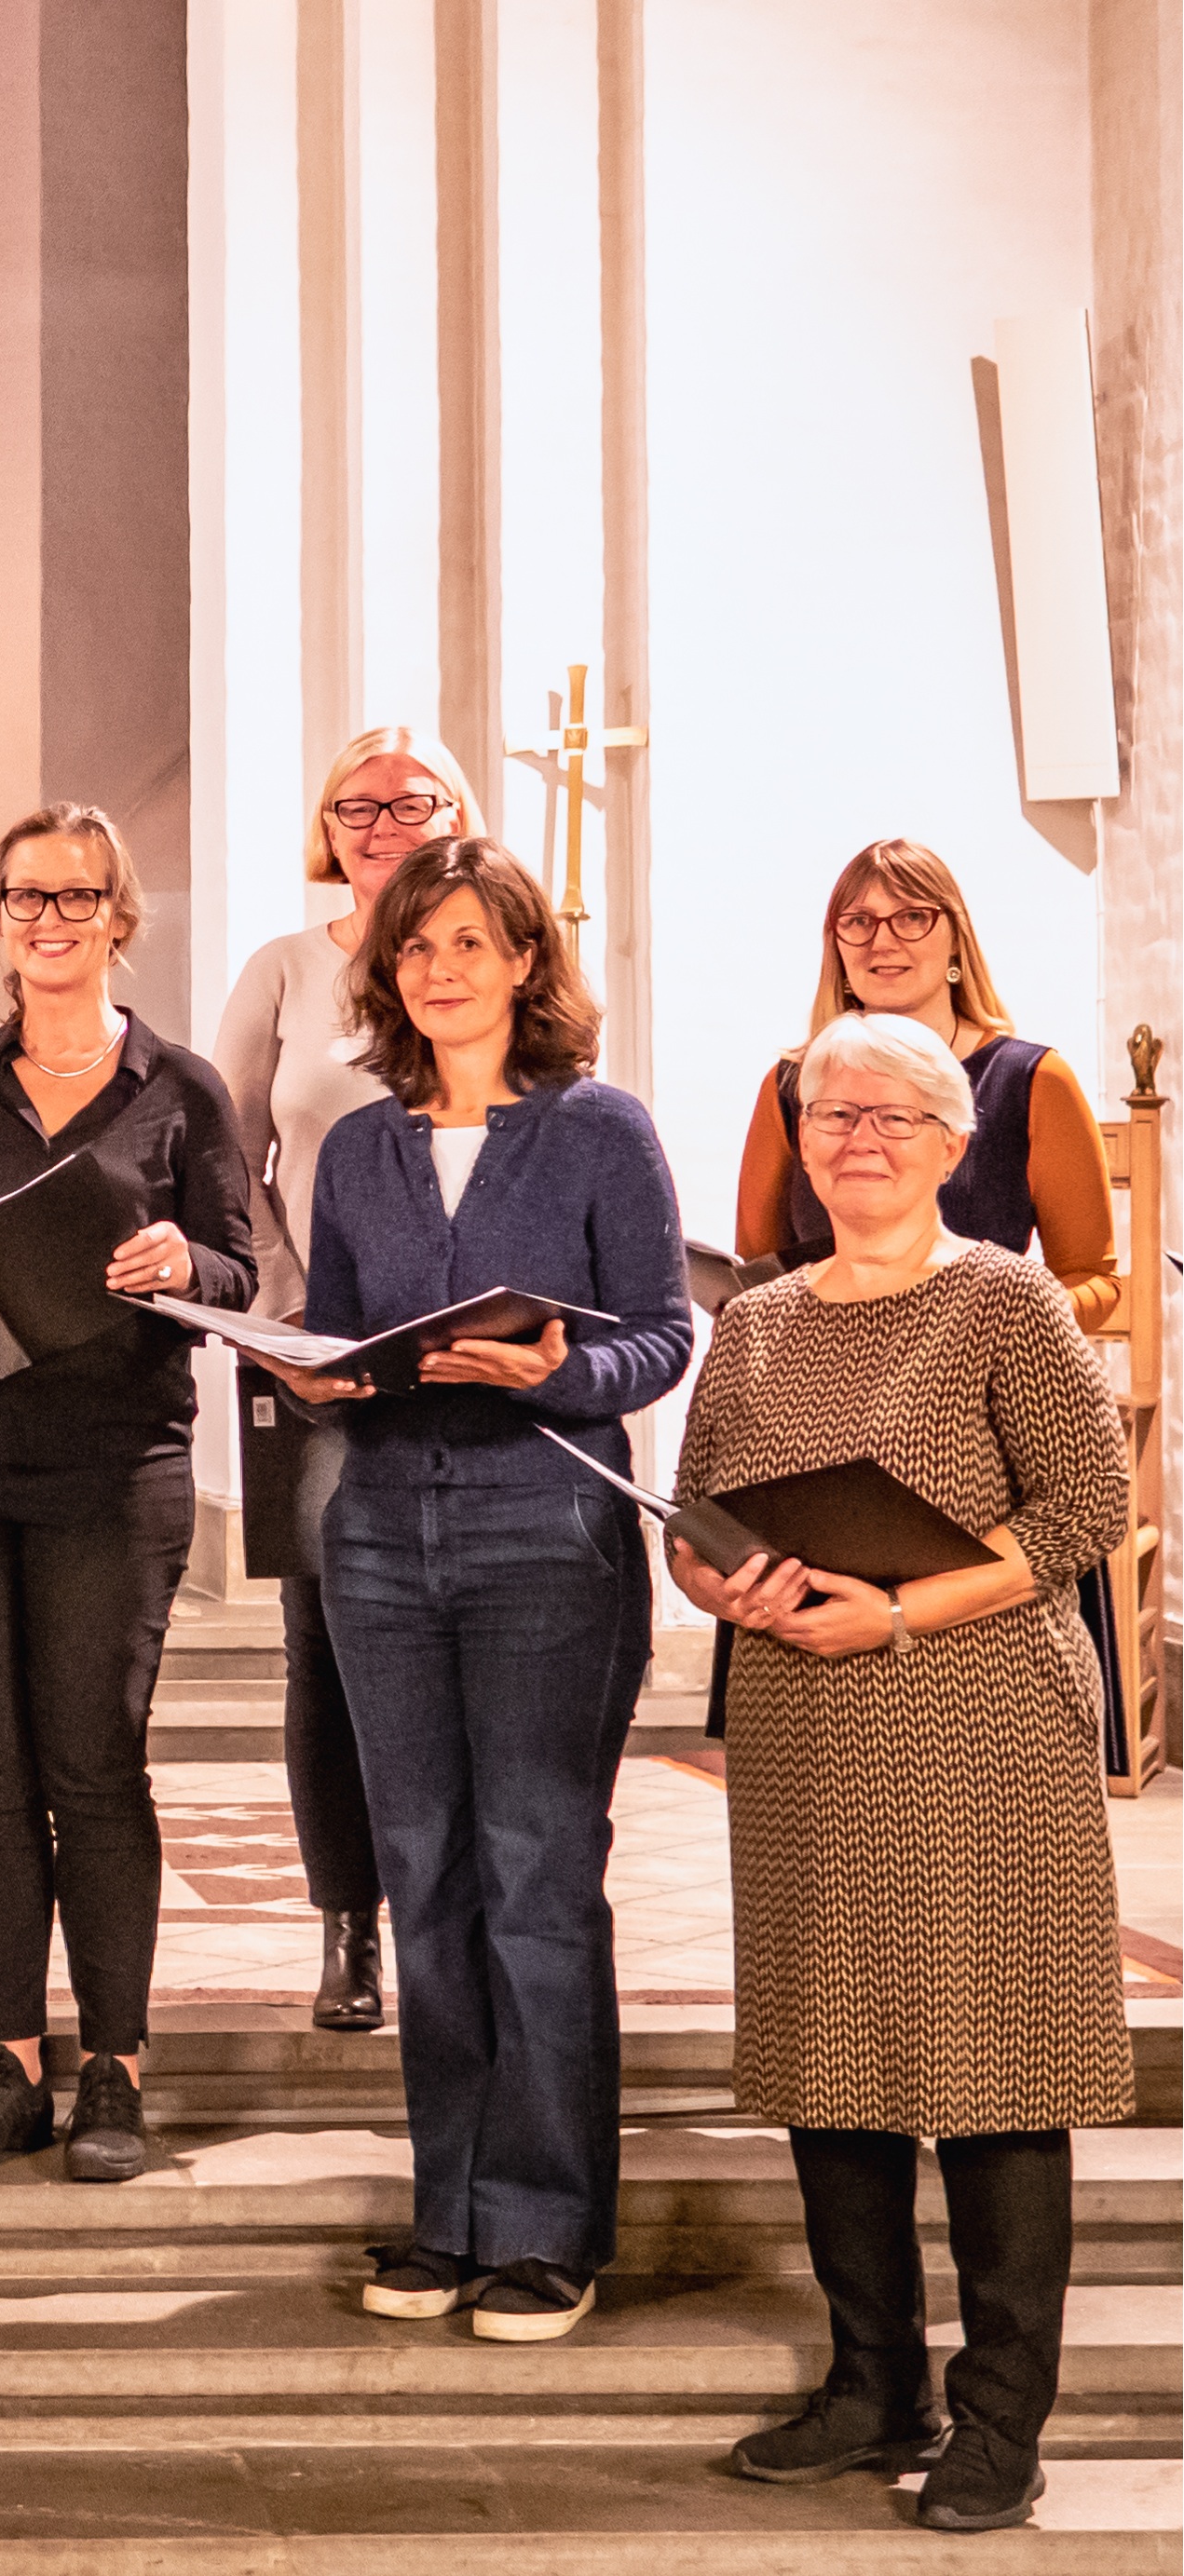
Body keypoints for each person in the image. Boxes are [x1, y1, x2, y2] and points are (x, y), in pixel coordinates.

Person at [674, 1010, 1130, 2536]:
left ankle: (1002, 2418)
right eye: (825, 1114)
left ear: (951, 1144)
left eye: (888, 1116)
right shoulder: (753, 1320)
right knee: (830, 2057)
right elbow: (694, 1516)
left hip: (978, 1722)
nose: (852, 1138)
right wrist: (719, 1586)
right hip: (802, 1730)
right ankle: (873, 2385)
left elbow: (1085, 1504)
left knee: (992, 2065)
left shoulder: (1000, 1299)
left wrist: (898, 1609)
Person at [266, 838, 689, 2343]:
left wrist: (557, 1369)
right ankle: (444, 2207)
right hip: (379, 1536)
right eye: (412, 947)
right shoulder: (366, 1148)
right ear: (383, 975)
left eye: (465, 941)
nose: (437, 969)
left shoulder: (594, 1131)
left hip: (540, 1535)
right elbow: (334, 1333)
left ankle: (543, 2225)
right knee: (423, 1880)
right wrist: (312, 1369)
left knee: (531, 1880)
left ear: (522, 961)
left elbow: (659, 1335)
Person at [0, 807, 258, 2180]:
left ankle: (114, 2068)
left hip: (112, 1465)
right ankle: (6, 2060)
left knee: (92, 1763)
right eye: (26, 896)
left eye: (77, 896)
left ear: (117, 916)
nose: (50, 918)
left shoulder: (181, 1089)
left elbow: (241, 1273)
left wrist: (176, 1264)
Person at [210, 725, 483, 2032]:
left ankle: (459, 1907)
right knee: (323, 1644)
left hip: (472, 1351)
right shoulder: (280, 969)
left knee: (463, 1630)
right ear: (326, 826)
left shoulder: (491, 960)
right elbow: (225, 1155)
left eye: (408, 799)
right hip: (319, 1347)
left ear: (452, 813)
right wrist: (285, 1303)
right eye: (355, 803)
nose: (382, 821)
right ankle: (348, 1925)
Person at [734, 839, 1122, 1329]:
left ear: (956, 937)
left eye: (912, 917)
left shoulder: (1034, 1082)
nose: (883, 941)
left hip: (979, 1374)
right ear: (837, 945)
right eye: (858, 921)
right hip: (827, 1375)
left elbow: (1092, 1279)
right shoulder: (790, 1087)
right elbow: (753, 1271)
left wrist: (994, 1323)